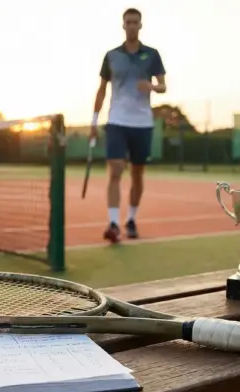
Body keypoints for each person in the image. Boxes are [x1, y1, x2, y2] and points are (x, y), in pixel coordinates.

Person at [90, 7, 166, 243]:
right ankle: (113, 223)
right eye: (128, 22)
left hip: (142, 123)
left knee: (137, 173)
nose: (132, 25)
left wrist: (151, 87)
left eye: (135, 22)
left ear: (140, 25)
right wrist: (94, 120)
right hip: (117, 121)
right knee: (115, 171)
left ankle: (131, 219)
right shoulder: (111, 56)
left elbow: (163, 86)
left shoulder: (152, 54)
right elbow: (102, 90)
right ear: (123, 25)